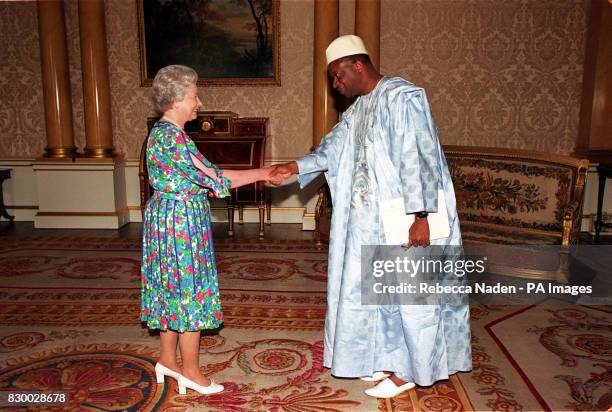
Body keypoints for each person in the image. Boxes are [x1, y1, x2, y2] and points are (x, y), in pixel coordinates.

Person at [271, 35, 472, 398]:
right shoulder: (359, 110)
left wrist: (422, 215)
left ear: (358, 65)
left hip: (409, 217)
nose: (335, 84)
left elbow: (419, 157)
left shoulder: (403, 98)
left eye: (336, 75)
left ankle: (412, 370)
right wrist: (294, 166)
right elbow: (331, 151)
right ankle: (389, 358)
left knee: (414, 297)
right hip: (375, 223)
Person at [141, 64, 280, 395]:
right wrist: (263, 172)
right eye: (193, 96)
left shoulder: (160, 133)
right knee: (189, 290)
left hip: (164, 219)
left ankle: (167, 359)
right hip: (180, 226)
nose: (198, 102)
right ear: (175, 99)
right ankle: (189, 370)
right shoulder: (173, 139)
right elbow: (216, 177)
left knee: (169, 287)